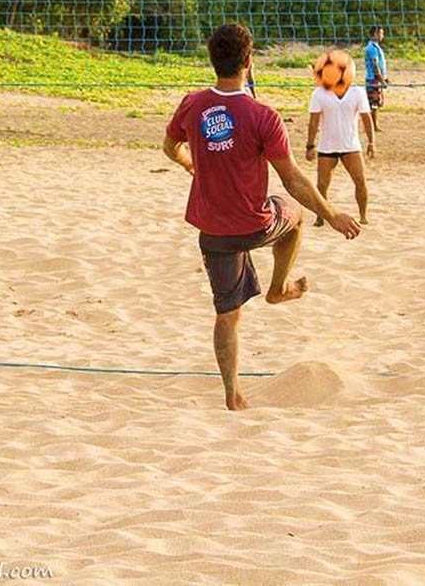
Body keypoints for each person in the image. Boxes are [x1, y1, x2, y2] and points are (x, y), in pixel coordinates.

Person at [163, 23, 361, 411]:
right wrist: (332, 212)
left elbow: (169, 146)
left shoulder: (192, 104)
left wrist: (190, 164)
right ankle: (277, 287)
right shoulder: (263, 115)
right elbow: (292, 179)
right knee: (298, 217)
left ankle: (232, 395)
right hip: (256, 225)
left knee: (227, 315)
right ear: (249, 62)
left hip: (213, 231)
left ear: (212, 61)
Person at [305, 77, 375, 226]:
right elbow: (313, 121)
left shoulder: (357, 91)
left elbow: (366, 117)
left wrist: (371, 142)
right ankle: (320, 217)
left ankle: (363, 216)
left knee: (360, 181)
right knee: (322, 184)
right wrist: (310, 146)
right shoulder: (319, 93)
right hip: (327, 147)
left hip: (351, 146)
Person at [364, 27, 389, 131]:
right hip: (373, 79)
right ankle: (373, 126)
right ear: (374, 34)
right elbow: (375, 65)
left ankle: (374, 126)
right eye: (380, 33)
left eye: (382, 33)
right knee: (373, 104)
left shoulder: (376, 47)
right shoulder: (372, 48)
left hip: (376, 78)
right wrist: (381, 80)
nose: (381, 36)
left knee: (376, 103)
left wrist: (385, 77)